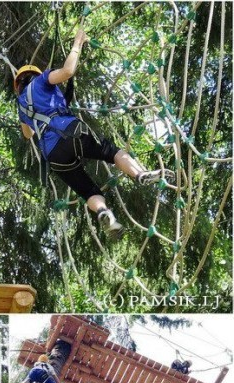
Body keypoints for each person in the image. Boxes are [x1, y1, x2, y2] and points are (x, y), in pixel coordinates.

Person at [15, 26, 175, 240]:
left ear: (18, 85)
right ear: (34, 74)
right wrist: (77, 44)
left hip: (53, 156)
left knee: (88, 190)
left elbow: (27, 135)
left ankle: (103, 212)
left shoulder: (21, 105)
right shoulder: (41, 81)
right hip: (70, 131)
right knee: (110, 152)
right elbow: (67, 72)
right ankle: (139, 174)